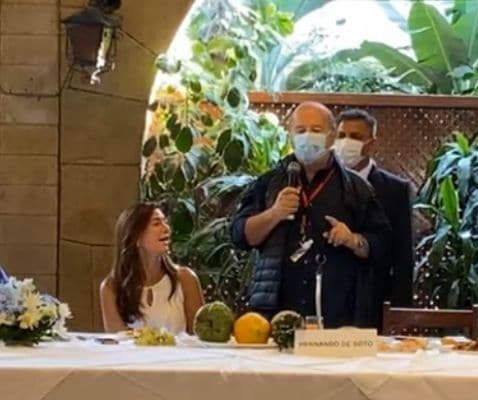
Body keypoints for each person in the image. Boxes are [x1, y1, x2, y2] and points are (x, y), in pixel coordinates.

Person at [230, 101, 391, 328]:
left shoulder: (356, 188)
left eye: (316, 130)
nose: (307, 137)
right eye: (300, 130)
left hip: (337, 313)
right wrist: (274, 213)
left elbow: (382, 244)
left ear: (331, 136)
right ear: (290, 136)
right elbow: (240, 236)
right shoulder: (268, 183)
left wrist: (353, 240)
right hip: (274, 311)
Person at [334, 108, 415, 329]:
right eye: (341, 135)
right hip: (331, 299)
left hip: (374, 299)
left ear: (371, 143)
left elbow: (403, 255)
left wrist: (401, 313)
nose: (346, 142)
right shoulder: (325, 184)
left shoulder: (395, 189)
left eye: (355, 136)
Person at [100, 203, 204, 334]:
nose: (166, 228)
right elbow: (118, 341)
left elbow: (199, 338)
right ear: (136, 237)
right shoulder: (111, 288)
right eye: (156, 224)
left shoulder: (186, 279)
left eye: (165, 222)